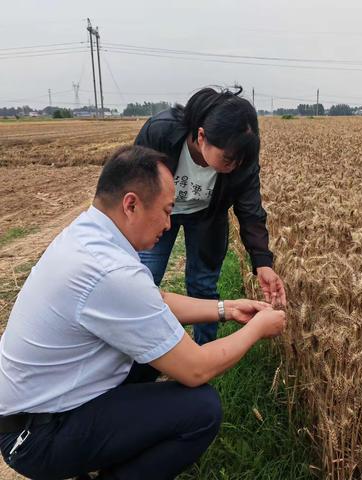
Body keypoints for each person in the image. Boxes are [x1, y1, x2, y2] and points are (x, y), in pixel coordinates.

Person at [0, 146, 286, 480]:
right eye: (166, 211)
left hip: (33, 412)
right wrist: (258, 328)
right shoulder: (109, 271)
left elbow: (153, 300)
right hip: (36, 437)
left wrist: (227, 309)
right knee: (201, 410)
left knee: (152, 349)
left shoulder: (89, 235)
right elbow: (195, 370)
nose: (169, 223)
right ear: (131, 204)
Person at [135, 86, 286, 345]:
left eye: (240, 161)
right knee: (142, 281)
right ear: (201, 136)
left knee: (203, 287)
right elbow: (132, 181)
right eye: (228, 160)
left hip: (206, 218)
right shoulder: (161, 132)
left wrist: (263, 262)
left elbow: (250, 209)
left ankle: (205, 355)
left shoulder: (240, 159)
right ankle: (140, 349)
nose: (234, 167)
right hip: (155, 214)